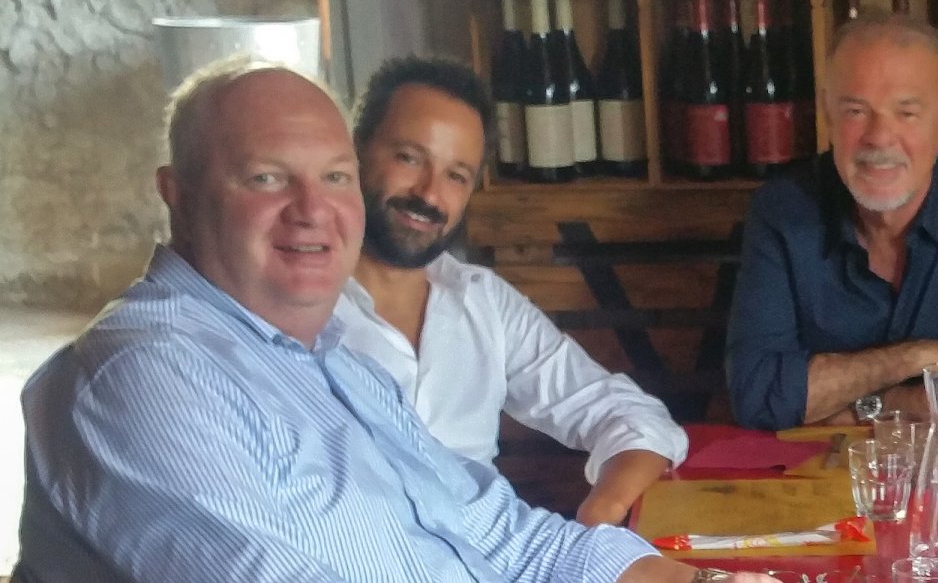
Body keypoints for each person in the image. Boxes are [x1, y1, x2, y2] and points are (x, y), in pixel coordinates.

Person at [15, 58, 764, 583]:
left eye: (333, 177)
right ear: (177, 194)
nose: (313, 209)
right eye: (267, 177)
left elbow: (502, 535)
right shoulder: (144, 374)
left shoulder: (333, 361)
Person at [333, 57, 688, 527]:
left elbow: (630, 416)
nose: (430, 194)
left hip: (483, 556)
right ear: (352, 152)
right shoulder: (295, 314)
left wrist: (601, 514)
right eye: (410, 158)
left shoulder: (481, 301)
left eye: (456, 175)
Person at [726, 16, 938, 430]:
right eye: (856, 111)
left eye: (907, 113)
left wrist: (861, 406)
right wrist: (915, 358)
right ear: (828, 117)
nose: (880, 137)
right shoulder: (782, 208)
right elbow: (757, 398)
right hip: (816, 467)